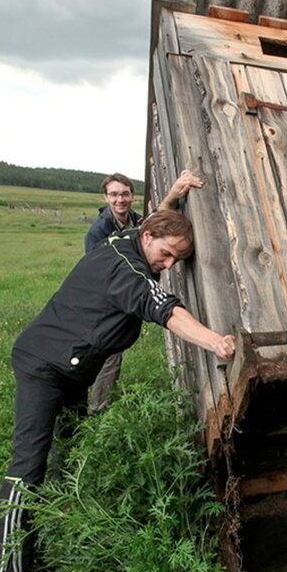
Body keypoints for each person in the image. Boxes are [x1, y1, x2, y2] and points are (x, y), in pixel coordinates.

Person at [0, 208, 234, 572]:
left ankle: (36, 559)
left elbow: (161, 222)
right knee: (26, 471)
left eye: (177, 259)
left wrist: (177, 194)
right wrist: (217, 343)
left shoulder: (128, 245)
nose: (170, 265)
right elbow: (165, 310)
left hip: (69, 373)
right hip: (43, 368)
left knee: (65, 464)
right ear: (149, 235)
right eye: (168, 253)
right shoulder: (125, 268)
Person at [85, 170, 205, 413]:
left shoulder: (136, 221)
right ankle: (97, 411)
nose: (121, 199)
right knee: (105, 354)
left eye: (125, 194)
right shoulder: (98, 231)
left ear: (132, 195)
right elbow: (98, 272)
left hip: (130, 299)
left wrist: (173, 193)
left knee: (111, 353)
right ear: (106, 197)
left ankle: (97, 405)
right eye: (114, 195)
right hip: (108, 304)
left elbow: (157, 219)